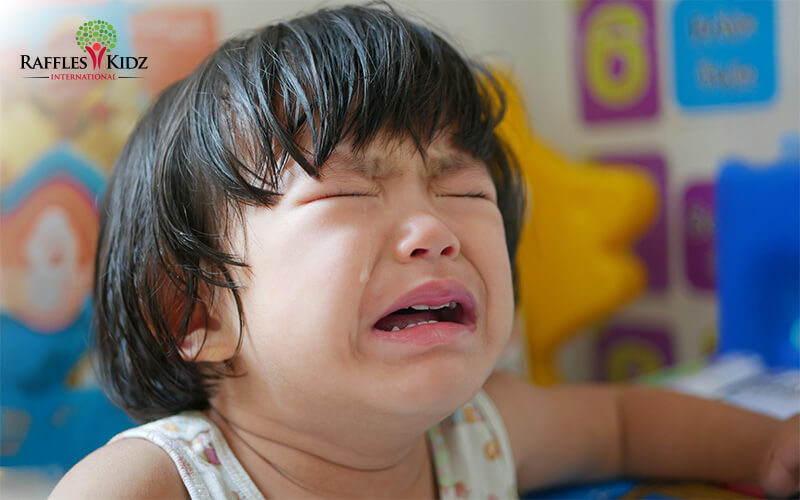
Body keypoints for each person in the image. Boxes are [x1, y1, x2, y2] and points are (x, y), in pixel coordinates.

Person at [50, 3, 799, 499]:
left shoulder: (477, 434)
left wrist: (767, 451)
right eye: (348, 191)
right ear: (193, 307)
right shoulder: (154, 483)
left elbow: (621, 423)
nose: (434, 230)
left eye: (464, 191)